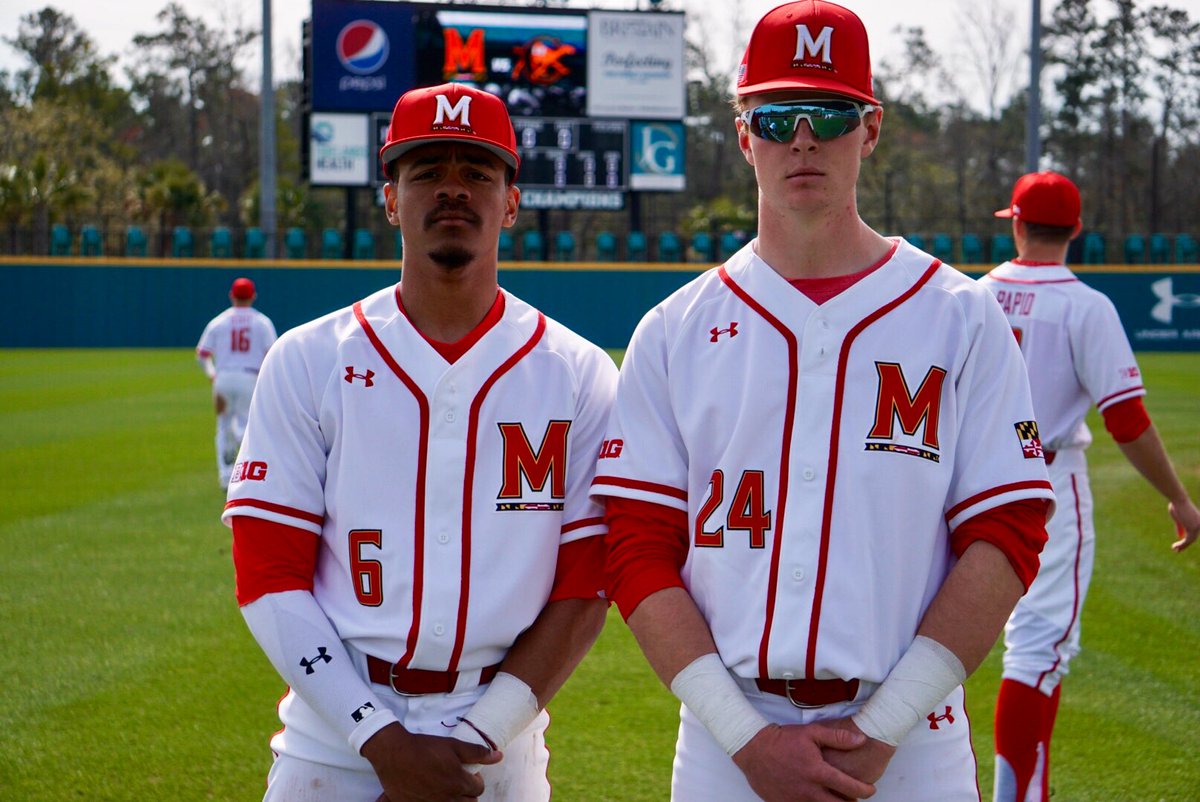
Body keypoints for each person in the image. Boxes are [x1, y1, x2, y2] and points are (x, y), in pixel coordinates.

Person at [592, 2, 1056, 799]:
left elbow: (1008, 532)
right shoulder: (673, 329)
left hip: (913, 741)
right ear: (744, 136)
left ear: (869, 130)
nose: (802, 137)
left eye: (829, 113)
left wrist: (882, 731)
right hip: (724, 741)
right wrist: (746, 739)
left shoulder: (959, 314)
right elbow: (636, 543)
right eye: (775, 117)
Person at [222, 82, 616, 800]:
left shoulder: (579, 373)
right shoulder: (310, 359)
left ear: (512, 200)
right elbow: (267, 571)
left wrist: (482, 732)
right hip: (334, 730)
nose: (453, 190)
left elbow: (587, 582)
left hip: (501, 736)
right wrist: (376, 734)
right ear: (390, 198)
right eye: (427, 171)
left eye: (477, 173)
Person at [979, 170, 1200, 802]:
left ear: (1016, 223)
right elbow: (1125, 419)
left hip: (968, 480)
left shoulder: (972, 295)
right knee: (1038, 650)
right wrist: (1179, 499)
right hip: (1046, 482)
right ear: (1076, 231)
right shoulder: (1085, 305)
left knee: (937, 637)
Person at [196, 276, 277, 489]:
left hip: (223, 378)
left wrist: (211, 373)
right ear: (253, 296)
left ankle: (225, 475)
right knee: (248, 425)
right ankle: (244, 475)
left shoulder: (219, 321)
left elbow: (202, 353)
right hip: (250, 378)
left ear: (232, 295)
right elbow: (273, 355)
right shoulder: (262, 322)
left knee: (223, 426)